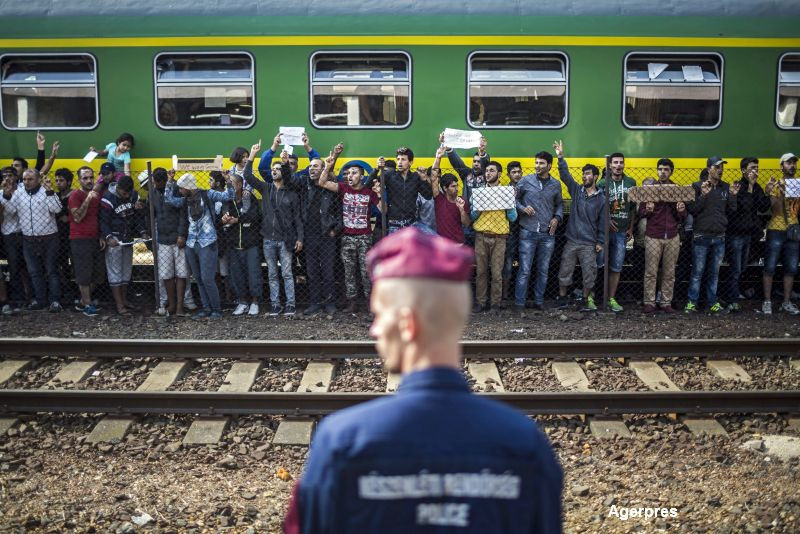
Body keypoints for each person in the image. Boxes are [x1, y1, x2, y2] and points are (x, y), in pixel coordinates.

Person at [286, 227, 563, 534]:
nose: (374, 330)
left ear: (407, 324)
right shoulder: (525, 444)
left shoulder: (341, 443)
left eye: (379, 314)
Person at [242, 141, 303, 317]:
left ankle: (290, 305)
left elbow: (297, 218)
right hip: (268, 238)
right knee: (272, 274)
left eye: (277, 169)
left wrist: (300, 238)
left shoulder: (292, 194)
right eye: (273, 169)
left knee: (286, 273)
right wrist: (252, 155)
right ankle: (276, 305)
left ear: (283, 173)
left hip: (285, 239)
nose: (274, 171)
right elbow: (248, 176)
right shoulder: (265, 188)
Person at [166, 171, 234, 319]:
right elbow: (169, 199)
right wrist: (169, 182)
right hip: (191, 243)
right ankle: (207, 308)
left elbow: (229, 196)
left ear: (188, 187)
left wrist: (228, 181)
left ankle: (216, 309)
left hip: (208, 241)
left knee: (207, 278)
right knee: (198, 278)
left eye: (181, 188)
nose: (180, 191)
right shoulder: (185, 200)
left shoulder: (207, 195)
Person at [318, 153, 381, 313]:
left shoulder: (369, 192)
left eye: (354, 173)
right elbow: (322, 182)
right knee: (349, 272)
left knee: (366, 272)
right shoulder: (343, 188)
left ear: (361, 176)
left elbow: (383, 210)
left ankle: (369, 302)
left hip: (365, 237)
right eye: (349, 173)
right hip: (347, 237)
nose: (350, 176)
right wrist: (327, 166)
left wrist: (380, 194)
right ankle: (352, 302)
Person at [552, 140, 605, 312]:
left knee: (589, 274)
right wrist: (560, 157)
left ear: (595, 177)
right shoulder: (576, 190)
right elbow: (565, 175)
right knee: (565, 271)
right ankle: (562, 298)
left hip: (589, 243)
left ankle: (584, 299)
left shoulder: (601, 199)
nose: (584, 176)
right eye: (583, 173)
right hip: (572, 240)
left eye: (588, 174)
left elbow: (603, 223)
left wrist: (600, 241)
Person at [0, 168, 63, 311]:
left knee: (51, 270)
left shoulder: (45, 192)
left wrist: (50, 192)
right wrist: (6, 193)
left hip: (49, 238)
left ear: (38, 180)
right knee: (34, 272)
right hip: (28, 239)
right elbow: (10, 210)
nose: (27, 182)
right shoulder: (19, 193)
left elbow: (57, 210)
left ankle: (55, 301)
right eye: (25, 179)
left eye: (30, 179)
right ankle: (40, 301)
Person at [685, 157, 739, 313]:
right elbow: (693, 210)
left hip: (719, 237)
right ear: (708, 169)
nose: (720, 170)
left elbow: (731, 211)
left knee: (714, 274)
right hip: (701, 236)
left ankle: (712, 303)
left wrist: (733, 196)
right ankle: (691, 303)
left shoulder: (726, 188)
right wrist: (703, 195)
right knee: (697, 272)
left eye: (722, 167)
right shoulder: (696, 186)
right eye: (717, 167)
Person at [514, 150, 562, 311]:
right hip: (527, 231)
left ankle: (538, 301)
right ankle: (519, 304)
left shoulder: (556, 184)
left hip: (547, 234)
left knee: (543, 270)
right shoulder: (524, 181)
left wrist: (557, 217)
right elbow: (513, 199)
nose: (537, 166)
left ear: (549, 165)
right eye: (536, 162)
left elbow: (560, 204)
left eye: (541, 163)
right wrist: (522, 207)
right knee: (525, 270)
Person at [637, 158, 687, 313]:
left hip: (672, 235)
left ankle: (666, 303)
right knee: (651, 271)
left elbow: (683, 216)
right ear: (657, 171)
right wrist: (648, 210)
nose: (662, 172)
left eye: (666, 169)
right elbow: (641, 212)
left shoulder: (676, 189)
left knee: (669, 272)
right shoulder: (650, 189)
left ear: (671, 171)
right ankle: (649, 302)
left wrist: (680, 210)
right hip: (653, 235)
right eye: (660, 169)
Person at [471, 161, 518, 312]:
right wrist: (477, 208)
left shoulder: (506, 192)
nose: (488, 173)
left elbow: (512, 218)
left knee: (497, 273)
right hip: (481, 236)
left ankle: (495, 304)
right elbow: (472, 215)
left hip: (500, 238)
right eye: (486, 171)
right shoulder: (478, 192)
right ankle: (481, 302)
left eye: (492, 171)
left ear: (499, 173)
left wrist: (510, 203)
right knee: (481, 272)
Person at [725, 158, 769, 311]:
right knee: (735, 268)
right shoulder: (739, 186)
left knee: (742, 267)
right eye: (752, 168)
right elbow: (744, 207)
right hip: (736, 234)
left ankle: (733, 295)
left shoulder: (757, 187)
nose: (755, 171)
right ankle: (732, 300)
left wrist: (768, 193)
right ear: (744, 170)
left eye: (757, 168)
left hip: (749, 234)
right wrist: (750, 185)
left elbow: (763, 208)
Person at [100, 175, 147, 315]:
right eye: (124, 193)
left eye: (129, 193)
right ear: (118, 188)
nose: (127, 196)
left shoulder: (133, 195)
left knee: (126, 272)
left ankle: (124, 300)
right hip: (115, 239)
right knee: (115, 272)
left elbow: (137, 217)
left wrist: (143, 231)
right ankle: (119, 305)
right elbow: (103, 221)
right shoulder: (107, 199)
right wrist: (108, 236)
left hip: (127, 239)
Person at [596, 152, 637, 312]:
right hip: (603, 233)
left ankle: (611, 299)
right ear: (610, 165)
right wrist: (606, 220)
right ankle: (593, 297)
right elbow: (597, 208)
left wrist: (631, 227)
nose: (618, 165)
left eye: (621, 162)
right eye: (615, 163)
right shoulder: (601, 183)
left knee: (616, 266)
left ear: (624, 165)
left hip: (621, 232)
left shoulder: (631, 182)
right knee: (598, 264)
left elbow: (633, 208)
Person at [761, 153, 800, 315]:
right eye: (788, 163)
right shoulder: (775, 185)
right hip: (776, 229)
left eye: (794, 163)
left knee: (791, 268)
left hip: (793, 229)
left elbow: (796, 211)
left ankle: (786, 302)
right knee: (769, 266)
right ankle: (767, 302)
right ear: (781, 166)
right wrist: (779, 193)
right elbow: (775, 209)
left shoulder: (798, 184)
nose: (792, 166)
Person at [220, 173, 263, 316]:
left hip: (250, 244)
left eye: (231, 183)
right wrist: (225, 218)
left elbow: (254, 217)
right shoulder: (227, 199)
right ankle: (242, 302)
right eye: (228, 183)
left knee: (254, 274)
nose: (229, 186)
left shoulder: (248, 197)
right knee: (237, 275)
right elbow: (223, 214)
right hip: (233, 244)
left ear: (239, 185)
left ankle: (255, 302)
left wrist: (237, 220)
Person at [149, 168, 189, 317]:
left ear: (164, 181)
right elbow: (151, 215)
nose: (156, 184)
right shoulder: (152, 193)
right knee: (166, 274)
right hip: (163, 238)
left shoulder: (177, 190)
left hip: (176, 237)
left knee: (181, 273)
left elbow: (183, 214)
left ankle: (179, 307)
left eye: (158, 182)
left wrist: (181, 234)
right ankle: (172, 304)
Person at [68, 167, 105, 316]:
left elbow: (98, 216)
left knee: (98, 274)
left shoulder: (97, 195)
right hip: (79, 239)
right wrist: (88, 199)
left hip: (95, 238)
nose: (89, 181)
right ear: (79, 180)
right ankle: (87, 305)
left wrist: (101, 235)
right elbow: (78, 217)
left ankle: (84, 301)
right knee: (83, 274)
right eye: (85, 178)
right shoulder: (75, 196)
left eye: (91, 177)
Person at [369, 147, 433, 233]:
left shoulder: (415, 177)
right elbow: (368, 185)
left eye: (403, 159)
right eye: (398, 159)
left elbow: (428, 196)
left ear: (410, 162)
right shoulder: (390, 175)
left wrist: (424, 179)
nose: (399, 162)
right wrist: (376, 169)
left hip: (411, 225)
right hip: (393, 225)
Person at [0, 166, 30, 313]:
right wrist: (5, 195)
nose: (7, 178)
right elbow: (6, 214)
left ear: (16, 177)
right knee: (13, 268)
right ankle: (17, 299)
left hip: (24, 234)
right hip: (8, 236)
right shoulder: (0, 194)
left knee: (27, 267)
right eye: (4, 176)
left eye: (10, 175)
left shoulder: (22, 192)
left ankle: (28, 297)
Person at [430, 146, 470, 244]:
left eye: (457, 185)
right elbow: (434, 178)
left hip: (458, 243)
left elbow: (467, 223)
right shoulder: (439, 199)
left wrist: (461, 209)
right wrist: (438, 158)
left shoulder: (462, 201)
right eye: (453, 186)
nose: (456, 188)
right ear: (445, 188)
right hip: (442, 245)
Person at [502, 160, 523, 303]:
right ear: (508, 175)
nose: (517, 175)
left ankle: (522, 295)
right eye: (513, 172)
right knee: (508, 264)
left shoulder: (528, 188)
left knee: (526, 265)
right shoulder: (504, 191)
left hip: (526, 231)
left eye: (519, 172)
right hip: (511, 232)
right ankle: (505, 295)